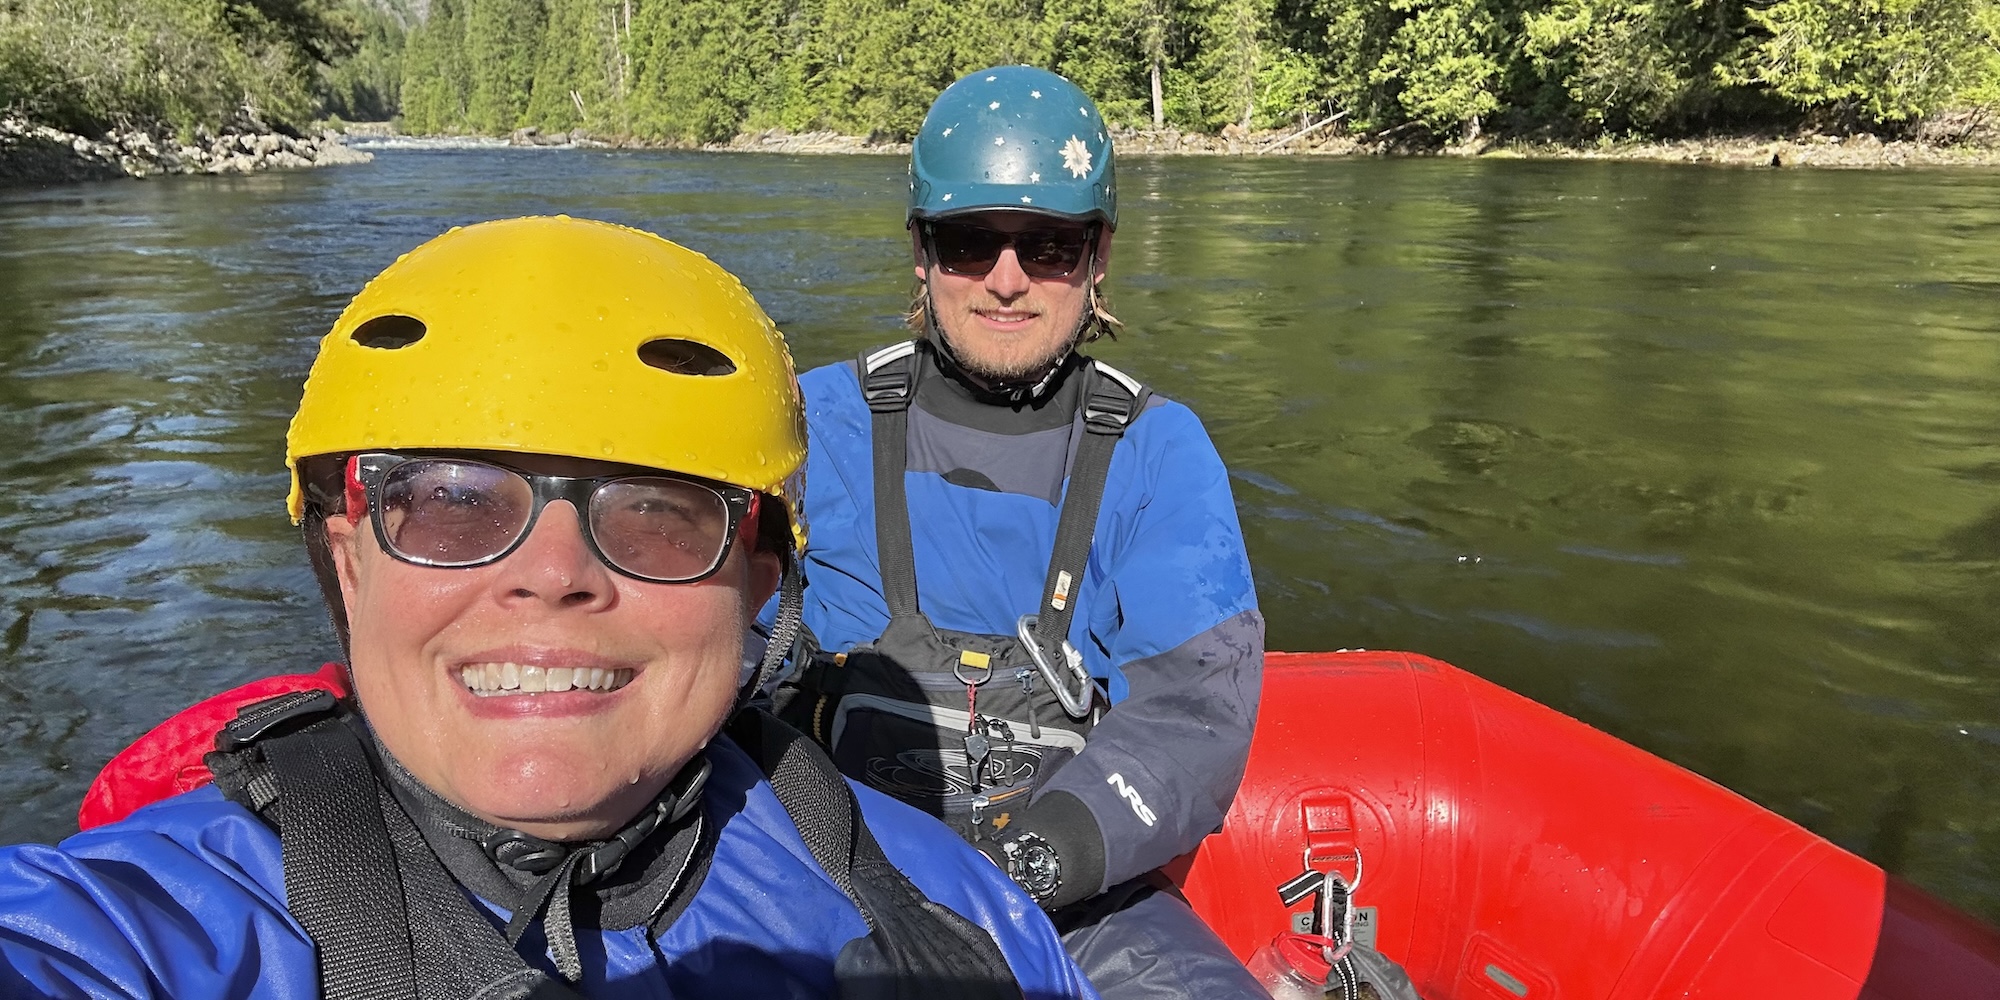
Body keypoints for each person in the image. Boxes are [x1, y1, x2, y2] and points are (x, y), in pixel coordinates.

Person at [0, 216, 1100, 1000]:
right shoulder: (151, 925)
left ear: (760, 584)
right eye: (451, 504)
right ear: (347, 560)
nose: (551, 571)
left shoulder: (955, 908)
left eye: (661, 513)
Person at [772, 67, 1267, 998]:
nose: (1006, 281)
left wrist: (1034, 866)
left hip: (1074, 884)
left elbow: (1194, 710)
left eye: (1046, 245)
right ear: (921, 252)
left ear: (1097, 256)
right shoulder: (813, 421)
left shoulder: (1161, 451)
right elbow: (723, 636)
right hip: (827, 854)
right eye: (969, 244)